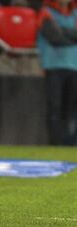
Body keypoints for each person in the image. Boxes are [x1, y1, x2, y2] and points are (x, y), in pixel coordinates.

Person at [37, 0, 77, 145]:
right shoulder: (46, 12)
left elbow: (60, 34)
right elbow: (54, 38)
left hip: (74, 66)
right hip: (53, 66)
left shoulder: (75, 13)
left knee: (71, 108)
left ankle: (70, 143)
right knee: (55, 107)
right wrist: (71, 35)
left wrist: (63, 30)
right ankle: (55, 142)